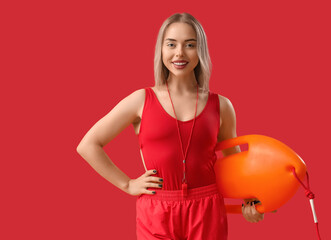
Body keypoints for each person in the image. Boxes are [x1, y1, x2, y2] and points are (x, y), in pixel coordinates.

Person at [76, 12, 264, 240]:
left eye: (190, 45)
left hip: (207, 210)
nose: (179, 53)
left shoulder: (222, 105)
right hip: (157, 210)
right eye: (171, 44)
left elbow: (234, 162)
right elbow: (88, 145)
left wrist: (250, 201)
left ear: (200, 50)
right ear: (161, 50)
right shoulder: (140, 100)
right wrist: (127, 184)